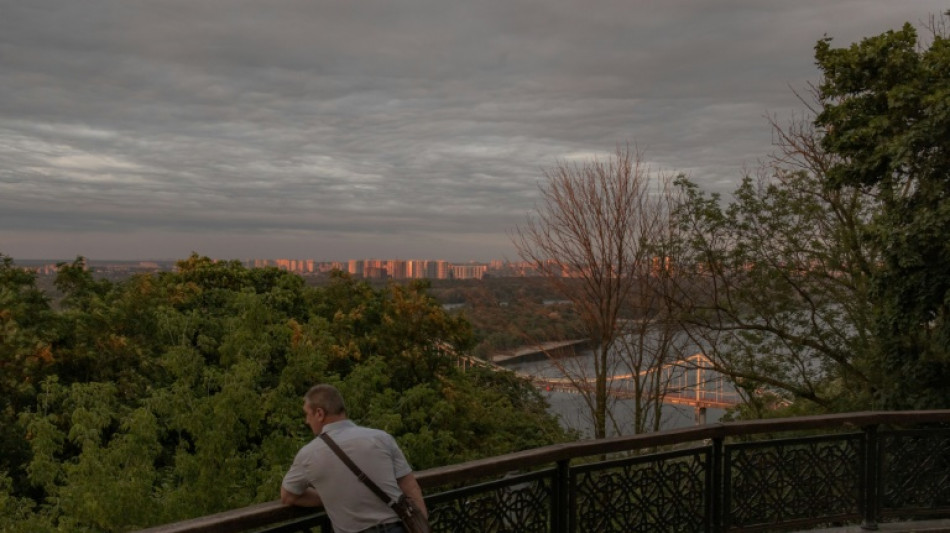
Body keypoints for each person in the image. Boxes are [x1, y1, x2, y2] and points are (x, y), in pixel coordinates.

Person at [281, 384, 428, 533]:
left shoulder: (308, 454)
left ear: (319, 413)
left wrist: (328, 497)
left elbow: (288, 497)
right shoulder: (381, 438)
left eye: (307, 414)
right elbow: (409, 485)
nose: (307, 421)